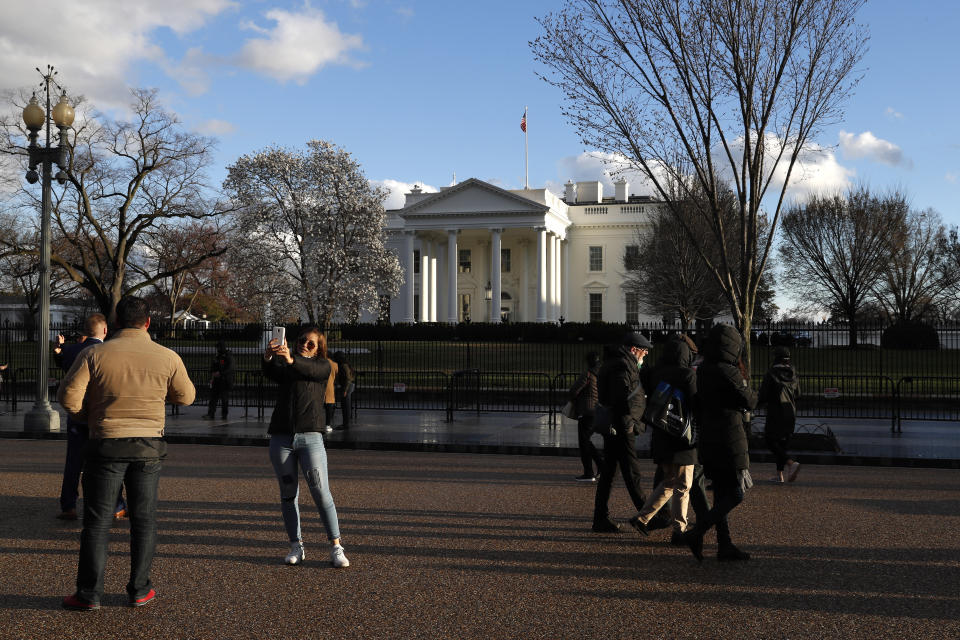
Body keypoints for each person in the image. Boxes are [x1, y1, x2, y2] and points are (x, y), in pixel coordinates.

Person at [58, 296, 196, 610]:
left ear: (116, 322)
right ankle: (139, 589)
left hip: (105, 441)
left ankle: (89, 593)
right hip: (148, 444)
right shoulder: (167, 356)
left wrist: (89, 416)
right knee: (144, 521)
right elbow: (186, 397)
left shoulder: (94, 353)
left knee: (97, 522)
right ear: (147, 322)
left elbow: (68, 399)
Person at [262, 326, 349, 568]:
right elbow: (271, 372)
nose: (305, 345)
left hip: (310, 437)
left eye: (311, 343)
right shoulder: (287, 365)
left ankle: (336, 545)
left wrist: (290, 360)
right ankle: (295, 545)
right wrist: (269, 356)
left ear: (319, 347)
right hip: (282, 437)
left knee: (321, 492)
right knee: (288, 494)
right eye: (302, 340)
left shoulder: (324, 365)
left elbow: (311, 370)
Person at [679, 323, 757, 563]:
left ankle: (725, 544)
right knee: (736, 493)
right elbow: (748, 400)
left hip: (710, 437)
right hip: (729, 436)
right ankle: (698, 532)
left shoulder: (703, 369)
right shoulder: (728, 370)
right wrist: (754, 393)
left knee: (722, 492)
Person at [54, 314, 126, 522]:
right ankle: (116, 505)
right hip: (102, 414)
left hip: (77, 415)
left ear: (85, 332)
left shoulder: (71, 351)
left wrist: (59, 346)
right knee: (108, 463)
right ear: (104, 331)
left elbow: (61, 363)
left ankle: (69, 505)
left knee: (73, 463)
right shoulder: (110, 352)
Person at [628, 336, 698, 542]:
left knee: (669, 482)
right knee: (683, 485)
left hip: (661, 434)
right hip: (683, 435)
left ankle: (642, 518)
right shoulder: (687, 375)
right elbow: (696, 404)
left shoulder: (655, 374)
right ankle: (680, 530)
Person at [592, 332, 651, 533]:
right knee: (631, 473)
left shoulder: (617, 363)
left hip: (616, 425)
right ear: (634, 350)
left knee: (609, 473)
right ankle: (647, 516)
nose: (645, 355)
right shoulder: (623, 365)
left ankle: (600, 518)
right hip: (622, 426)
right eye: (644, 351)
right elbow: (623, 398)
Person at [758, 346, 801, 483]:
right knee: (783, 443)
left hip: (775, 412)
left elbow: (763, 395)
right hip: (790, 411)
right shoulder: (793, 374)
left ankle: (790, 463)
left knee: (770, 441)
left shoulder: (771, 373)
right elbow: (798, 393)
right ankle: (779, 475)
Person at [568, 351, 602, 482]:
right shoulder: (601, 374)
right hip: (597, 411)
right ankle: (600, 465)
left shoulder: (588, 374)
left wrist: (575, 401)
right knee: (587, 441)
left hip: (586, 411)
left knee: (584, 443)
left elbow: (574, 390)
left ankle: (589, 472)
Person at [204, 340, 235, 420]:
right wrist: (212, 374)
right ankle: (211, 413)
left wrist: (220, 373)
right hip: (217, 381)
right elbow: (213, 365)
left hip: (224, 381)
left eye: (218, 347)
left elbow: (230, 368)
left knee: (224, 399)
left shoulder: (228, 356)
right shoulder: (218, 356)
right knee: (213, 398)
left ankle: (224, 414)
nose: (217, 349)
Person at [331, 351, 355, 431]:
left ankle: (346, 424)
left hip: (347, 387)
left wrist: (345, 390)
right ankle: (345, 423)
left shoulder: (343, 366)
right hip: (348, 386)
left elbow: (347, 379)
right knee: (346, 406)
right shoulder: (345, 364)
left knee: (345, 406)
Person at [323, 347, 339, 434]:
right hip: (330, 388)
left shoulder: (320, 363)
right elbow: (336, 377)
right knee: (329, 408)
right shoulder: (334, 364)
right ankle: (327, 424)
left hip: (320, 387)